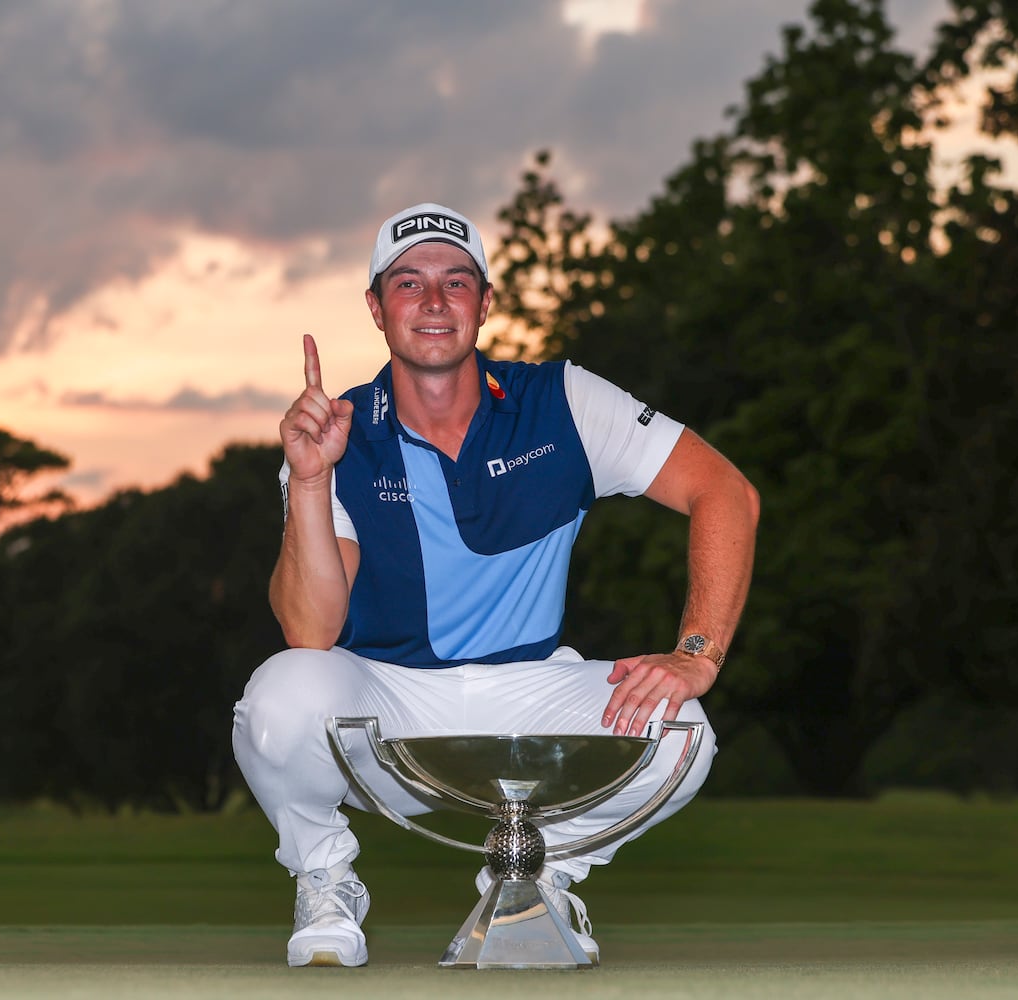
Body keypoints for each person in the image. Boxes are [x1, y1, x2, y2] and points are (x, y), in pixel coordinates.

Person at [232, 202, 759, 968]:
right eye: (408, 283)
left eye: (455, 282)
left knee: (682, 734)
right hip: (386, 701)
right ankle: (325, 878)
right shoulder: (335, 433)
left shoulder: (562, 400)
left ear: (485, 303)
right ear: (376, 308)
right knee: (279, 695)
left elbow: (724, 492)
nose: (433, 300)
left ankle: (538, 879)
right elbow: (310, 630)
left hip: (528, 691)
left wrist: (696, 652)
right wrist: (311, 480)